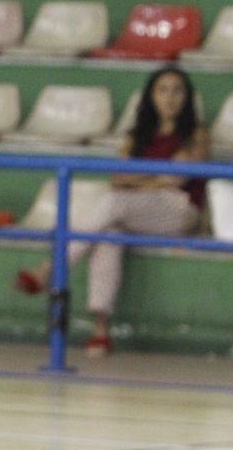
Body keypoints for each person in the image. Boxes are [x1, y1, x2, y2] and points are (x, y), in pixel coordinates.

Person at [15, 66, 207, 356]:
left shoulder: (197, 134)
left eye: (178, 90)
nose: (170, 98)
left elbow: (176, 179)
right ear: (151, 96)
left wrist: (138, 179)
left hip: (179, 210)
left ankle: (48, 269)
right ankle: (101, 331)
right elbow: (119, 178)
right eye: (163, 90)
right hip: (136, 209)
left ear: (187, 97)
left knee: (113, 202)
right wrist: (152, 180)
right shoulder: (137, 135)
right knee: (109, 232)